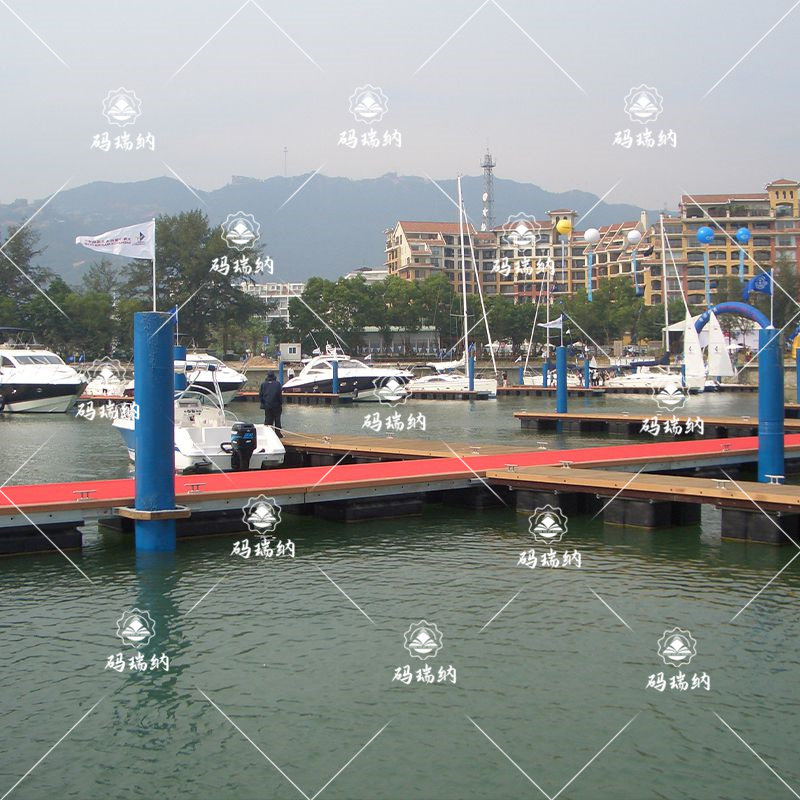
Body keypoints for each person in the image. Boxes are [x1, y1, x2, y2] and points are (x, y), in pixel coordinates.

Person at [259, 371, 283, 437]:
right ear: (274, 376)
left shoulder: (263, 384)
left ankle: (267, 433)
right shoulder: (278, 384)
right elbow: (279, 395)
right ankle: (278, 433)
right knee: (277, 419)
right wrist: (280, 403)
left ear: (267, 376)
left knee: (268, 419)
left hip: (267, 405)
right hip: (276, 405)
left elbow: (260, 395)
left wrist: (263, 403)